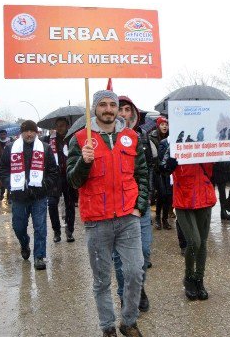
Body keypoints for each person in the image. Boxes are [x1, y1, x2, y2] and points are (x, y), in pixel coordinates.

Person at [67, 90, 148, 337]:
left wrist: (139, 206)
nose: (109, 109)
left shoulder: (131, 138)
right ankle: (107, 327)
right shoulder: (80, 139)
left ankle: (129, 321)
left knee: (135, 272)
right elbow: (73, 181)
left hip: (127, 219)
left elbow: (142, 175)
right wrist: (84, 161)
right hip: (97, 221)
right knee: (102, 280)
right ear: (95, 109)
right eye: (102, 105)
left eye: (112, 104)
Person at [0, 120, 58, 271]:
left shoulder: (44, 148)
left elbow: (53, 171)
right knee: (18, 227)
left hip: (39, 196)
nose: (29, 134)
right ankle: (24, 244)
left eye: (32, 131)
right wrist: (11, 184)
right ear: (21, 132)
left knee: (40, 227)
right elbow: (3, 170)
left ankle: (39, 256)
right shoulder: (11, 148)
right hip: (19, 197)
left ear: (37, 133)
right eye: (26, 131)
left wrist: (44, 185)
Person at [161, 144, 216, 301]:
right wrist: (172, 160)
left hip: (204, 197)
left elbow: (220, 171)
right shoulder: (174, 145)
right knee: (194, 241)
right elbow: (163, 167)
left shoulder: (209, 143)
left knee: (202, 242)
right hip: (184, 198)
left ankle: (199, 280)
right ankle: (189, 277)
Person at [114, 95, 152, 313]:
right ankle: (125, 296)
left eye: (128, 109)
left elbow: (147, 171)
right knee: (120, 259)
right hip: (116, 208)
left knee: (144, 252)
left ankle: (139, 288)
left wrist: (143, 200)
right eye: (120, 110)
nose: (124, 114)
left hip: (140, 205)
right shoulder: (103, 138)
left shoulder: (142, 136)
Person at [42, 117, 75, 243]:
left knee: (70, 204)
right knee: (51, 204)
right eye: (58, 125)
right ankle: (56, 230)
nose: (60, 128)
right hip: (54, 176)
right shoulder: (47, 140)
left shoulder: (72, 138)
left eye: (62, 125)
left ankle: (69, 231)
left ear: (67, 126)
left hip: (69, 175)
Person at [148, 116, 172, 230]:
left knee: (168, 196)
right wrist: (161, 166)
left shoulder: (170, 137)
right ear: (158, 125)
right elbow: (154, 156)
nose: (165, 126)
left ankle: (165, 218)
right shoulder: (152, 137)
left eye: (166, 124)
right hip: (157, 170)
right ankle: (158, 217)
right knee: (161, 195)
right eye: (162, 124)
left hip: (169, 170)